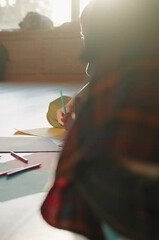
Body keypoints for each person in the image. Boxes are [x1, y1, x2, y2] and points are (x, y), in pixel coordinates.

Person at [41, 0, 159, 239]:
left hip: (125, 205)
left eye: (87, 37)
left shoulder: (117, 60)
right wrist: (81, 98)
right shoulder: (131, 58)